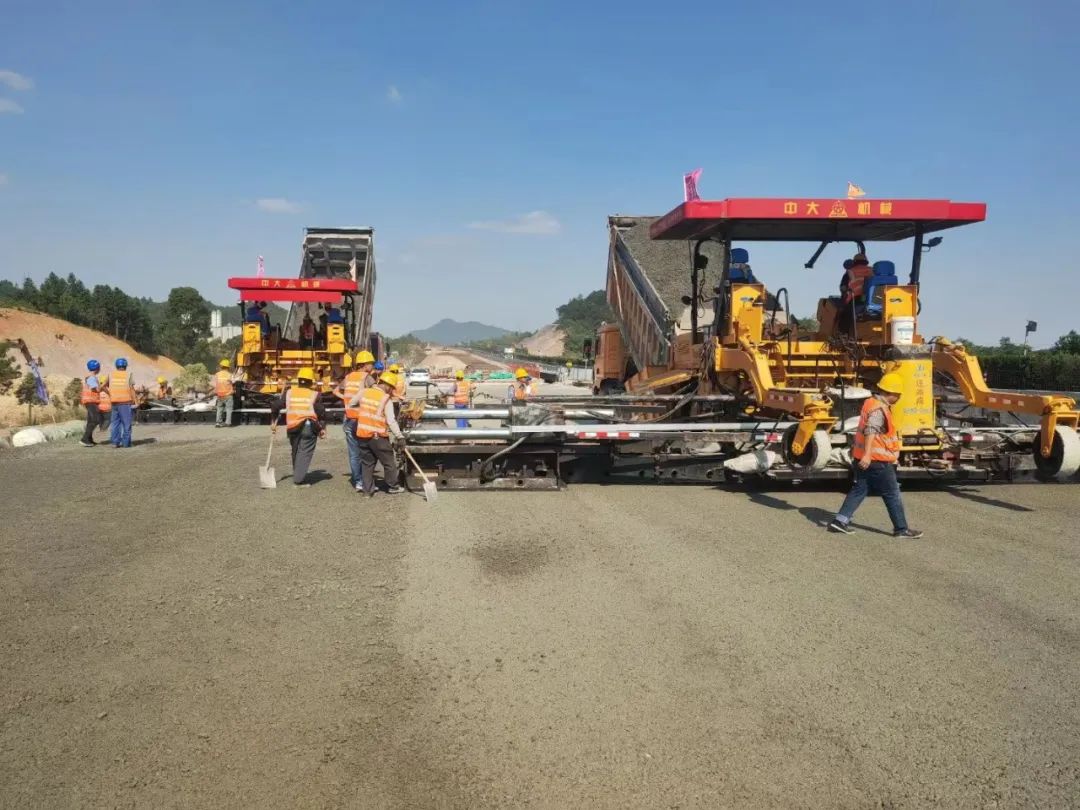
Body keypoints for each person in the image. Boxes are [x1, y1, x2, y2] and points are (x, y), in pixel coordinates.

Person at [828, 372, 923, 538]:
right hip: (877, 460)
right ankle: (901, 529)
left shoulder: (870, 402)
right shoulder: (879, 409)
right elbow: (870, 430)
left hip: (864, 457)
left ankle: (840, 521)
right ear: (890, 393)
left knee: (860, 489)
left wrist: (864, 455)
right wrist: (868, 455)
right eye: (898, 395)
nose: (899, 398)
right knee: (892, 493)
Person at [349, 370, 405, 496]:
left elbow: (351, 403)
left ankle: (367, 492)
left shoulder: (364, 392)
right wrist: (400, 436)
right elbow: (391, 421)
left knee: (367, 464)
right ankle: (393, 486)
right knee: (389, 462)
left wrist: (363, 413)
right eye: (391, 388)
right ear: (387, 385)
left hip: (362, 435)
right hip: (378, 437)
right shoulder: (386, 399)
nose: (391, 391)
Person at [270, 367, 327, 487]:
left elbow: (275, 406)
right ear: (311, 382)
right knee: (305, 452)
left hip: (292, 427)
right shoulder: (315, 394)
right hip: (308, 427)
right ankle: (298, 479)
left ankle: (297, 473)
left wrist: (273, 421)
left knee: (295, 451)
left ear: (299, 380)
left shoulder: (289, 393)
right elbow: (321, 412)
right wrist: (322, 428)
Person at [334, 351, 376, 488]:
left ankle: (358, 482)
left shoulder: (349, 377)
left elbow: (335, 391)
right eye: (371, 363)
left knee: (353, 453)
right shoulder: (367, 378)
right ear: (364, 365)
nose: (372, 365)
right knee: (367, 452)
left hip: (348, 418)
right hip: (361, 420)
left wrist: (347, 400)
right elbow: (377, 395)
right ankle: (366, 481)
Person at [107, 357, 135, 448]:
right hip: (125, 402)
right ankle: (126, 443)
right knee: (126, 424)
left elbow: (103, 385)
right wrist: (135, 401)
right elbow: (132, 389)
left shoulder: (110, 375)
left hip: (114, 402)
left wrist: (110, 393)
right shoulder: (128, 374)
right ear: (125, 366)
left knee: (115, 423)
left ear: (116, 366)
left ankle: (115, 443)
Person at [79, 359, 103, 447]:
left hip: (90, 401)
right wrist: (102, 385)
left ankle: (89, 439)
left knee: (90, 421)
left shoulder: (90, 377)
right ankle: (84, 439)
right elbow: (96, 389)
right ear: (97, 368)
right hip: (90, 401)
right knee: (95, 420)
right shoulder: (92, 378)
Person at [213, 359, 235, 427]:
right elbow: (234, 382)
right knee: (228, 409)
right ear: (228, 367)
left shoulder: (217, 374)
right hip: (228, 394)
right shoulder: (230, 375)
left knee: (219, 409)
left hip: (219, 394)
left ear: (221, 366)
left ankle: (218, 423)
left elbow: (214, 384)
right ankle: (228, 423)